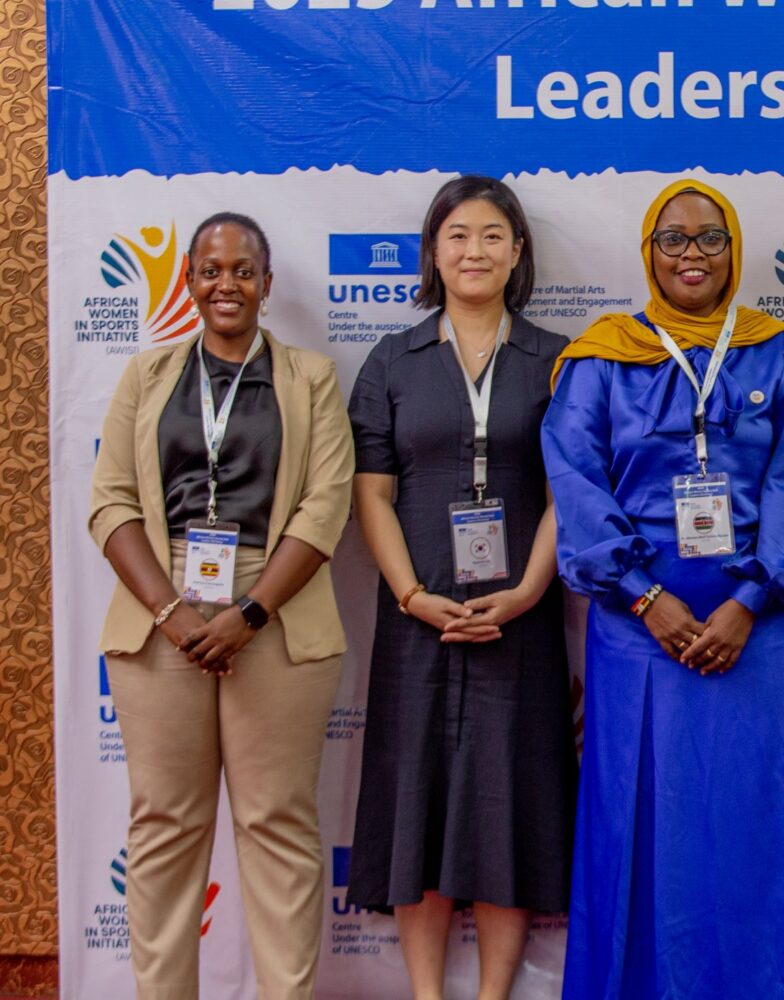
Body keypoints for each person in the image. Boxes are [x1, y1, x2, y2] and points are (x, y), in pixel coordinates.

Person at [544, 178, 784, 999]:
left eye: (710, 239)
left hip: (761, 626)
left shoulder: (778, 351)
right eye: (673, 240)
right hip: (637, 631)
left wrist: (749, 600)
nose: (692, 255)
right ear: (648, 252)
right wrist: (645, 595)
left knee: (755, 834)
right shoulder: (601, 354)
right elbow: (576, 484)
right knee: (647, 830)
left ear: (734, 250)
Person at [89, 212, 354, 999]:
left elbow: (325, 506)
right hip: (160, 612)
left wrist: (250, 614)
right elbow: (108, 504)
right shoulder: (146, 376)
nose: (226, 283)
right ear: (191, 282)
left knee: (277, 825)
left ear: (267, 284)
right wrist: (172, 611)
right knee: (164, 828)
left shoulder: (311, 377)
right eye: (210, 269)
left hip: (277, 609)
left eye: (243, 269)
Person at [345, 176, 577, 1000]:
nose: (473, 251)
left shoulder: (558, 359)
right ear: (432, 252)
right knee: (421, 800)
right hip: (418, 618)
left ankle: (493, 993)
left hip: (523, 615)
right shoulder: (391, 360)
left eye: (491, 236)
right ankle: (427, 993)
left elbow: (567, 495)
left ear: (517, 253)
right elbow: (370, 491)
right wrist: (409, 594)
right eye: (457, 236)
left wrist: (524, 592)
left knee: (506, 802)